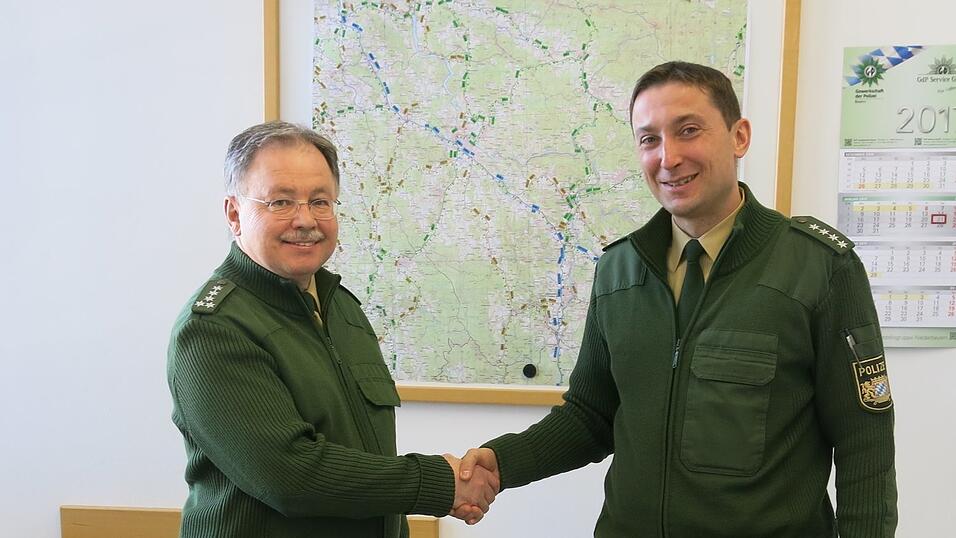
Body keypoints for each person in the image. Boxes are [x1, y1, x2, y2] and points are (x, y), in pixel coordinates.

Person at [459, 61, 897, 537]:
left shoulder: (821, 268)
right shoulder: (618, 270)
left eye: (688, 130)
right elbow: (592, 415)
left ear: (739, 137)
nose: (668, 157)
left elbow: (864, 444)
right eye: (649, 139)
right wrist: (501, 464)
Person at [167, 121, 497, 538]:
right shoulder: (214, 330)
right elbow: (290, 477)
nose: (306, 220)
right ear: (235, 213)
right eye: (281, 202)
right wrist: (438, 482)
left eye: (320, 201)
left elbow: (367, 457)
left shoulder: (339, 305)